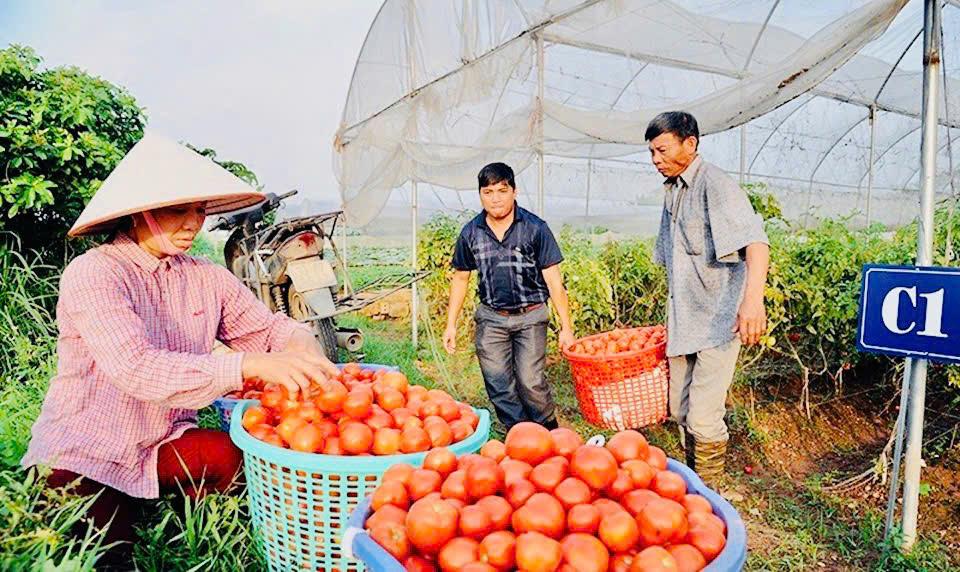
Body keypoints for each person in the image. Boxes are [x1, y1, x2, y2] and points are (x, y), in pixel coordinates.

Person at [20, 134, 338, 566]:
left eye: (200, 210)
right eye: (178, 210)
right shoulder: (94, 273)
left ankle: (208, 520)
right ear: (140, 213)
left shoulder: (205, 277)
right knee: (107, 555)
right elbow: (136, 369)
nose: (193, 223)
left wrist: (299, 345)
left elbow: (269, 330)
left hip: (161, 441)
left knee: (243, 464)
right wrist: (249, 366)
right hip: (86, 449)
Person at [646, 111, 770, 486]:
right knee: (680, 411)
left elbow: (757, 244)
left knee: (702, 416)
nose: (655, 160)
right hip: (685, 321)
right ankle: (695, 486)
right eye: (651, 152)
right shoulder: (673, 191)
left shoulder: (714, 185)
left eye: (662, 150)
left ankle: (709, 493)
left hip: (718, 320)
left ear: (691, 144)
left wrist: (752, 302)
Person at [442, 162, 574, 431]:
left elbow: (554, 282)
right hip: (491, 318)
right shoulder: (471, 232)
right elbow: (461, 278)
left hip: (531, 315)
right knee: (498, 383)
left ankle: (549, 433)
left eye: (502, 191)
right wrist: (450, 324)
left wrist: (566, 328)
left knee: (530, 380)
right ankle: (519, 435)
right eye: (488, 192)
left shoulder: (536, 228)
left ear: (513, 191)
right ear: (480, 195)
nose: (495, 198)